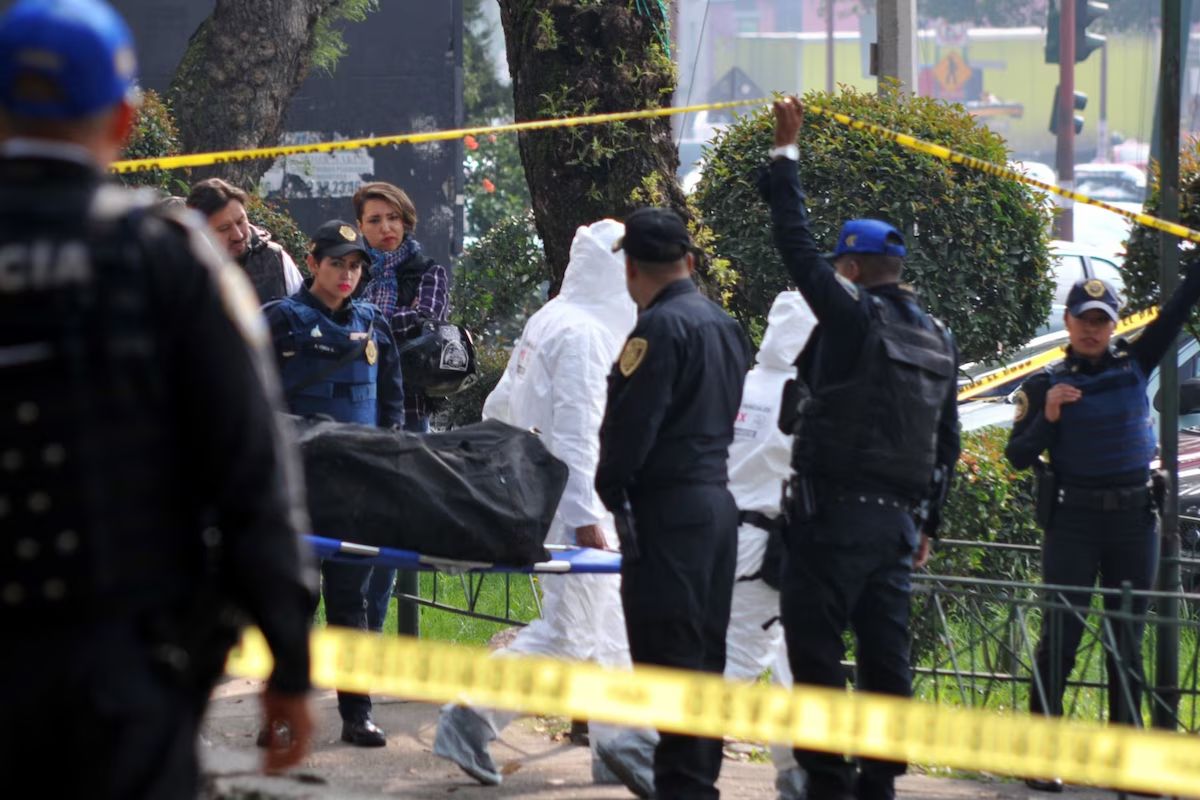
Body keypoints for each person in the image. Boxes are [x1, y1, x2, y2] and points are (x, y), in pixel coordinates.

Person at [0, 1, 315, 796]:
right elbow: (253, 472)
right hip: (128, 676)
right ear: (123, 119)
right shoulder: (170, 260)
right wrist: (288, 657)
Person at [762, 97, 960, 800]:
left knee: (814, 650)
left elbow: (794, 242)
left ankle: (826, 781)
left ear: (849, 267)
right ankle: (879, 781)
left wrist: (786, 151)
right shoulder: (937, 337)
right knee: (886, 654)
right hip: (899, 526)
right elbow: (947, 441)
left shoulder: (850, 316)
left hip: (831, 517)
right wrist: (929, 524)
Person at [433, 219, 636, 786]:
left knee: (610, 629)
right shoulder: (587, 334)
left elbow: (501, 406)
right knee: (572, 633)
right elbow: (577, 432)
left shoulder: (552, 317)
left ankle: (621, 747)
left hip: (548, 492)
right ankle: (471, 717)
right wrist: (586, 517)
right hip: (574, 503)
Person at [596, 291, 817, 800]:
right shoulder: (802, 397)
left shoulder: (742, 383)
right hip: (766, 543)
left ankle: (799, 767)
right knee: (739, 656)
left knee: (790, 653)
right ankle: (646, 740)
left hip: (717, 532)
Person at [1005, 271, 1200, 792]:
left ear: (1114, 326)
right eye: (1084, 320)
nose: (1092, 330)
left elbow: (1178, 309)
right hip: (1073, 523)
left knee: (1126, 645)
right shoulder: (1044, 384)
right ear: (1068, 323)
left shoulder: (1134, 362)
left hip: (1134, 523)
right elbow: (1018, 455)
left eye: (1101, 321)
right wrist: (1048, 416)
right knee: (1061, 641)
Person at [594, 207, 753, 800]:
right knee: (705, 656)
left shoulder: (655, 330)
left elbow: (632, 428)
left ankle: (684, 788)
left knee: (667, 658)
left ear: (631, 269)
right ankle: (696, 783)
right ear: (688, 261)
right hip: (716, 504)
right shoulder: (725, 324)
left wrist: (612, 490)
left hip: (666, 512)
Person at [263, 219, 404, 748]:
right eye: (337, 264)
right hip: (296, 486)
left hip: (355, 486)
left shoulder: (373, 322)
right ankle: (282, 716)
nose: (347, 275)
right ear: (312, 262)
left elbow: (391, 400)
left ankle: (357, 713)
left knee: (351, 603)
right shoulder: (280, 320)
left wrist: (388, 459)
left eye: (355, 266)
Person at [356, 180, 450, 636]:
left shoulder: (427, 271)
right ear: (360, 226)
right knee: (354, 521)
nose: (385, 227)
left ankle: (372, 628)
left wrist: (360, 322)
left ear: (406, 221)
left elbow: (425, 322)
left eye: (393, 218)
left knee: (392, 525)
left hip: (409, 409)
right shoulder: (350, 267)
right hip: (354, 408)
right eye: (374, 220)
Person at [186, 177, 303, 303]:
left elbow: (303, 311)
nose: (238, 235)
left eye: (240, 221)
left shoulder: (275, 258)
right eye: (224, 228)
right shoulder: (183, 273)